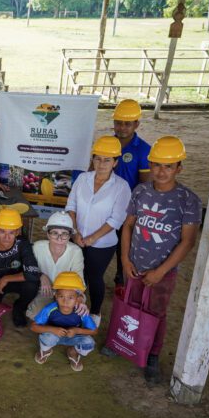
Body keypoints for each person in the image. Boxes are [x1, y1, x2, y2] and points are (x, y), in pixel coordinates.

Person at [109, 135, 201, 385]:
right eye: (157, 164)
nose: (161, 171)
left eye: (168, 166)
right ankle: (123, 342)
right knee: (130, 305)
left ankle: (152, 355)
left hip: (163, 272)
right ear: (150, 164)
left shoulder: (188, 200)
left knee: (156, 312)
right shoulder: (140, 191)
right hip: (135, 265)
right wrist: (126, 260)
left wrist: (160, 272)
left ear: (179, 168)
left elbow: (187, 241)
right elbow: (128, 226)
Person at [66, 136, 131, 326]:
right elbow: (71, 205)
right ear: (92, 159)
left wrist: (93, 238)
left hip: (102, 243)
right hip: (77, 237)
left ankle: (94, 312)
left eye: (107, 160)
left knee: (94, 277)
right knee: (75, 275)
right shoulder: (82, 179)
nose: (101, 164)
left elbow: (116, 219)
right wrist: (75, 232)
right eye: (98, 158)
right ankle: (74, 307)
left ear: (115, 162)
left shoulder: (121, 187)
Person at [111, 99, 152, 295]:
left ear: (137, 124)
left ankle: (120, 280)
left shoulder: (143, 149)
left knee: (123, 246)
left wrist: (134, 212)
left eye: (128, 123)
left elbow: (145, 185)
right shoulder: (106, 144)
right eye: (119, 122)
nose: (122, 127)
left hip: (127, 208)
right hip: (102, 204)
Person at [0, 208, 41, 327]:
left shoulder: (23, 243)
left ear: (17, 232)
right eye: (3, 232)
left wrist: (6, 278)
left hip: (15, 280)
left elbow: (32, 272)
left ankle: (19, 307)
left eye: (11, 233)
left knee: (32, 284)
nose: (7, 237)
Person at [31, 271, 98, 372]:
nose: (65, 301)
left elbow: (94, 331)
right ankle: (45, 351)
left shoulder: (81, 311)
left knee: (89, 343)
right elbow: (34, 327)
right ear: (56, 296)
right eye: (61, 296)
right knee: (47, 337)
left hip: (73, 336)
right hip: (54, 336)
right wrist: (53, 329)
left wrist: (76, 330)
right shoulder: (50, 309)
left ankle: (73, 351)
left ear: (78, 299)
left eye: (71, 297)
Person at [28, 211, 85, 318]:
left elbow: (79, 281)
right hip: (44, 291)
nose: (59, 238)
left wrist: (80, 299)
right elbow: (28, 269)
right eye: (55, 233)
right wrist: (41, 275)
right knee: (38, 315)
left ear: (69, 236)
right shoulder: (37, 247)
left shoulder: (76, 251)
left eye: (64, 234)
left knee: (73, 316)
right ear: (48, 234)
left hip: (68, 292)